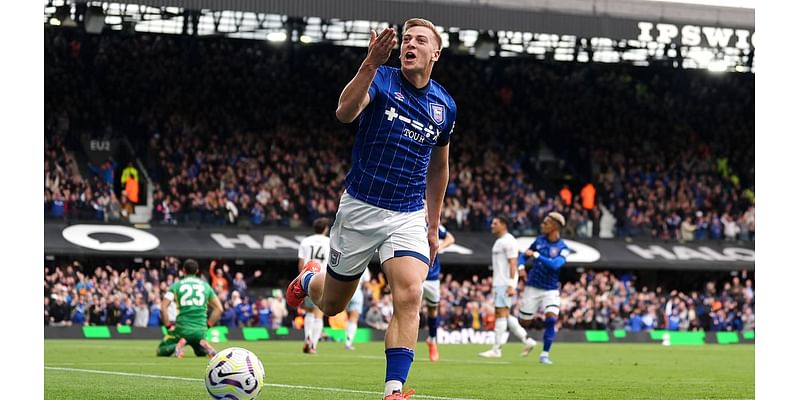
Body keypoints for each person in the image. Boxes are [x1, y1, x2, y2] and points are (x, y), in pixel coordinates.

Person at [286, 18, 456, 400]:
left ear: (435, 53)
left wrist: (433, 225)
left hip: (408, 213)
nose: (410, 44)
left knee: (411, 294)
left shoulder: (445, 105)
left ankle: (393, 389)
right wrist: (369, 64)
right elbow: (344, 113)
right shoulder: (381, 79)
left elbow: (440, 167)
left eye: (420, 40)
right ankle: (309, 280)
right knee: (332, 305)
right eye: (406, 39)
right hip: (361, 208)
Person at [479, 216, 537, 358]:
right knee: (505, 314)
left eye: (495, 223)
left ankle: (496, 349)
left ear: (503, 225)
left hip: (504, 283)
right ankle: (527, 340)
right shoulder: (500, 241)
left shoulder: (509, 241)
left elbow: (513, 263)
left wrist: (511, 284)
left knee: (500, 313)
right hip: (499, 283)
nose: (492, 225)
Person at [518, 212, 570, 365]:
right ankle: (528, 337)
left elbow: (556, 265)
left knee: (551, 319)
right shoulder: (539, 241)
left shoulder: (563, 248)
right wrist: (521, 266)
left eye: (546, 223)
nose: (543, 225)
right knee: (524, 322)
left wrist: (536, 255)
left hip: (550, 290)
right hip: (532, 288)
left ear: (555, 226)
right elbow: (523, 255)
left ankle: (545, 354)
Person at [156, 259, 222, 359]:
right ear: (197, 271)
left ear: (183, 270)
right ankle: (203, 345)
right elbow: (219, 309)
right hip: (200, 330)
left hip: (182, 330)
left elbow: (163, 307)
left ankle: (176, 347)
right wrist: (208, 326)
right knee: (200, 353)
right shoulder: (206, 286)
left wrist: (168, 327)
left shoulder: (176, 286)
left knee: (161, 349)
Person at [297, 217, 331, 354]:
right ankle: (313, 345)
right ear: (325, 229)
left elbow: (301, 263)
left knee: (309, 312)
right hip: (323, 279)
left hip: (307, 278)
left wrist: (301, 280)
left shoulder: (305, 241)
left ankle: (308, 338)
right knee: (319, 313)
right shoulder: (329, 242)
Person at [422, 224, 455, 362]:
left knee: (432, 310)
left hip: (432, 276)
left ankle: (432, 339)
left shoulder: (434, 226)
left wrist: (439, 247)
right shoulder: (408, 220)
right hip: (415, 273)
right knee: (408, 307)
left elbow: (450, 238)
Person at [345, 268, 372, 351]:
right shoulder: (365, 266)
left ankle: (348, 340)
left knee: (348, 318)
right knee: (353, 319)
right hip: (357, 291)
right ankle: (348, 342)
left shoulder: (347, 260)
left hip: (345, 291)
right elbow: (366, 283)